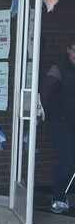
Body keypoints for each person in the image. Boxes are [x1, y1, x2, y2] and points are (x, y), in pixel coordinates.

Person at [40, 36, 75, 213]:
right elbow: (45, 92)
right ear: (68, 49)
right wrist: (50, 114)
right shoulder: (59, 68)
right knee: (67, 159)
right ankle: (59, 198)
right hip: (61, 122)